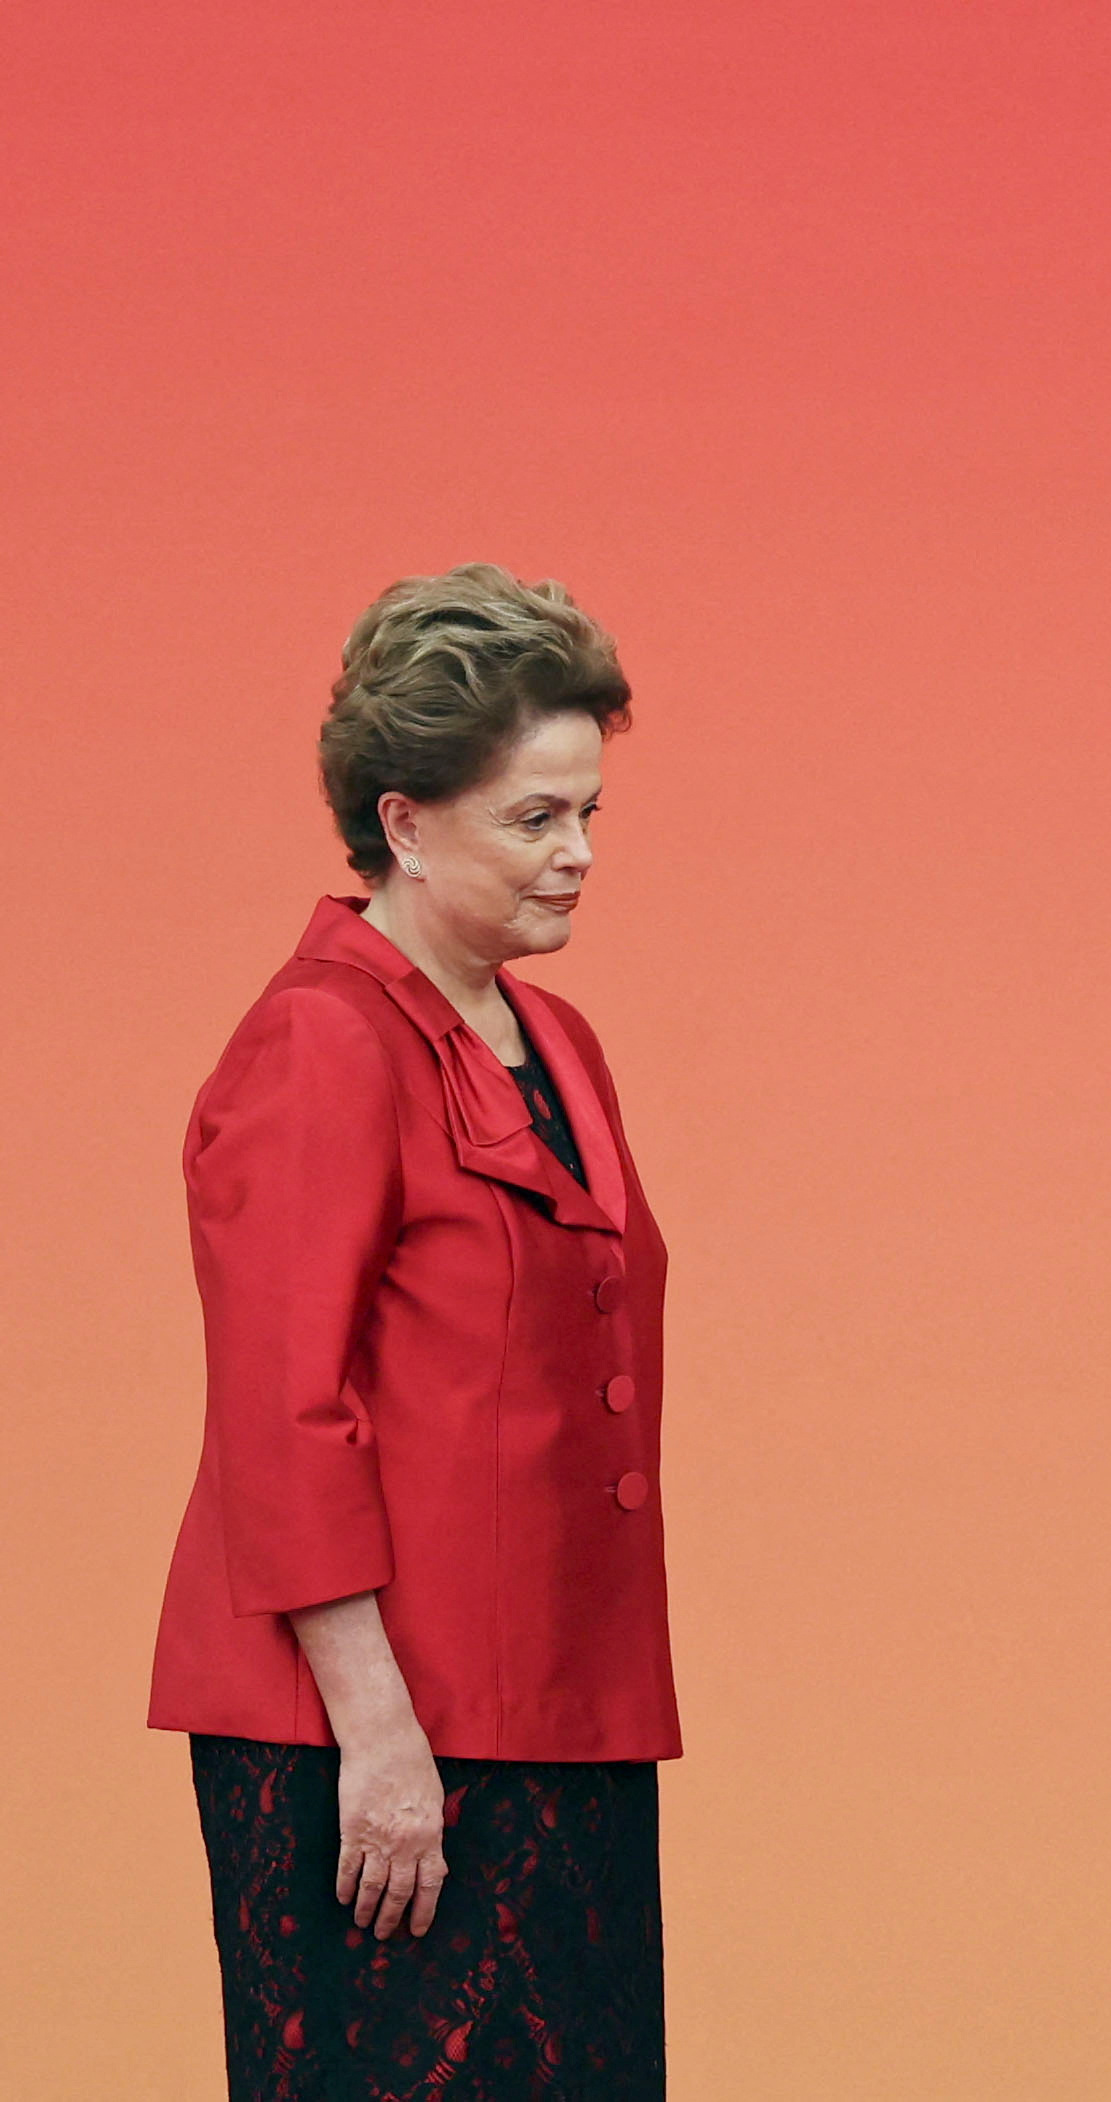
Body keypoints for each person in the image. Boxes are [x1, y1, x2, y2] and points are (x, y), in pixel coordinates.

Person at [148, 564, 677, 2099]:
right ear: (402, 819)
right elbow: (282, 1412)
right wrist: (379, 1743)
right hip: (379, 1735)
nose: (579, 853)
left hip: (555, 1719)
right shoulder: (320, 1038)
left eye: (588, 813)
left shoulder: (553, 1037)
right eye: (534, 819)